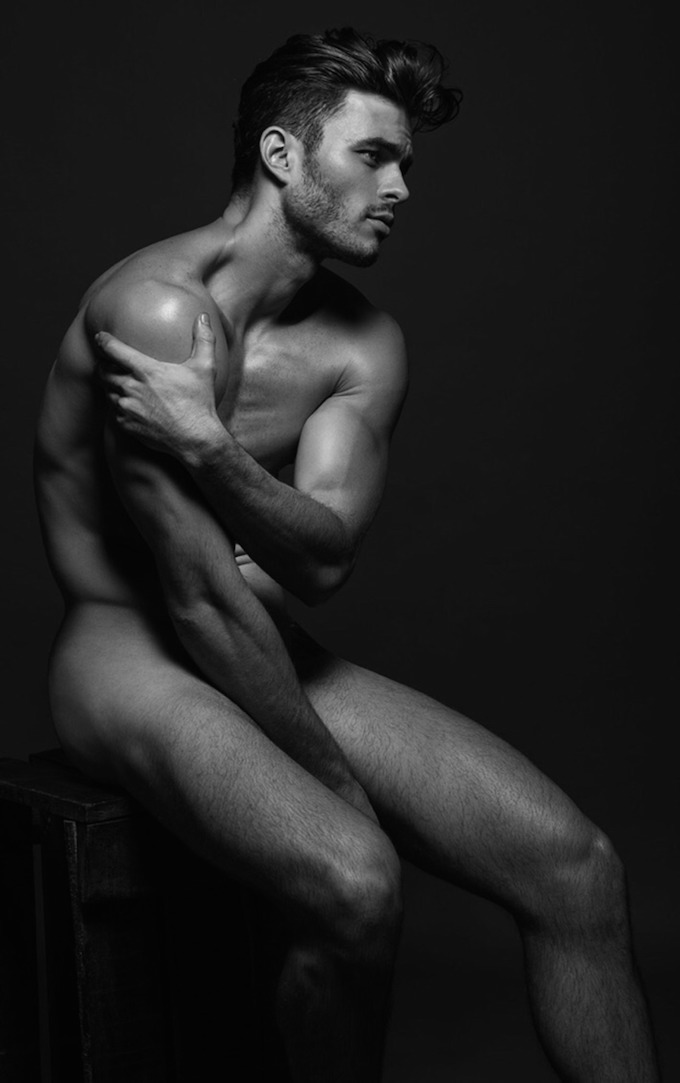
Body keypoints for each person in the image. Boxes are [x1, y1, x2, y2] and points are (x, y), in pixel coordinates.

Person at [34, 27, 660, 1083]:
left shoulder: (362, 344)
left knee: (578, 869)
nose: (401, 188)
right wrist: (337, 785)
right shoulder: (156, 309)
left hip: (262, 637)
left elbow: (322, 563)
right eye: (373, 156)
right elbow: (197, 598)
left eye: (405, 162)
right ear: (282, 156)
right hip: (126, 654)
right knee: (355, 880)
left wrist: (208, 446)